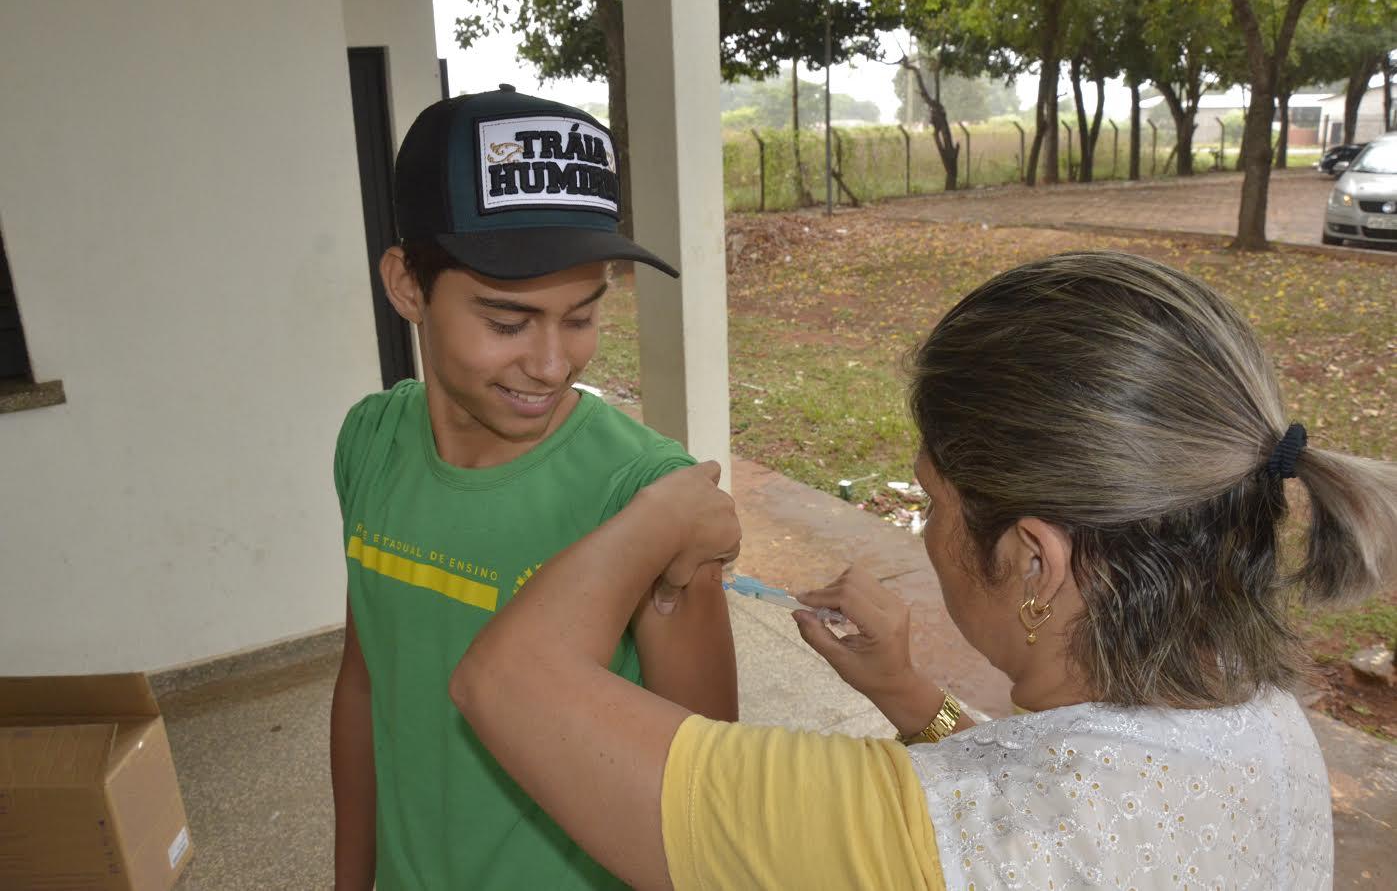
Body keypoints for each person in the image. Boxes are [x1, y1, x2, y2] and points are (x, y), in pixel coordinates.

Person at [449, 251, 1397, 890]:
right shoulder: (1263, 729)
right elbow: (1067, 784)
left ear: (1034, 560)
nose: (927, 535)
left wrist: (658, 510)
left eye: (932, 504)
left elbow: (506, 681)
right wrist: (914, 697)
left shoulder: (934, 840)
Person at [330, 86, 738, 891]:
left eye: (581, 316)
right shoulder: (369, 443)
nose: (552, 365)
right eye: (508, 322)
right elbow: (366, 680)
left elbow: (707, 787)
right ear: (408, 285)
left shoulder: (649, 501)